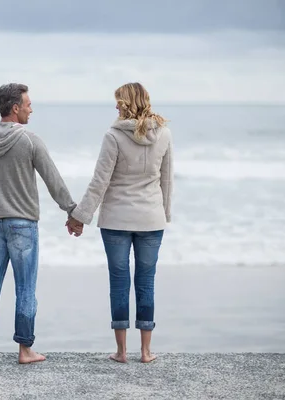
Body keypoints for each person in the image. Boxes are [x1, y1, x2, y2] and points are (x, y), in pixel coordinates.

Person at [0, 83, 77, 364]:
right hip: (23, 226)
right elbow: (54, 180)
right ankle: (25, 350)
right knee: (25, 288)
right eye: (27, 104)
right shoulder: (29, 140)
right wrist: (73, 212)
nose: (31, 108)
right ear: (15, 108)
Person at [66, 82, 173, 363]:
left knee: (119, 282)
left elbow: (100, 182)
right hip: (151, 219)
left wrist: (80, 217)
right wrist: (166, 215)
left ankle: (122, 352)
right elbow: (167, 181)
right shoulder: (164, 134)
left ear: (126, 103)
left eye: (118, 101)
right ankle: (146, 352)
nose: (115, 106)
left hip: (116, 219)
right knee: (146, 283)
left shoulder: (113, 136)